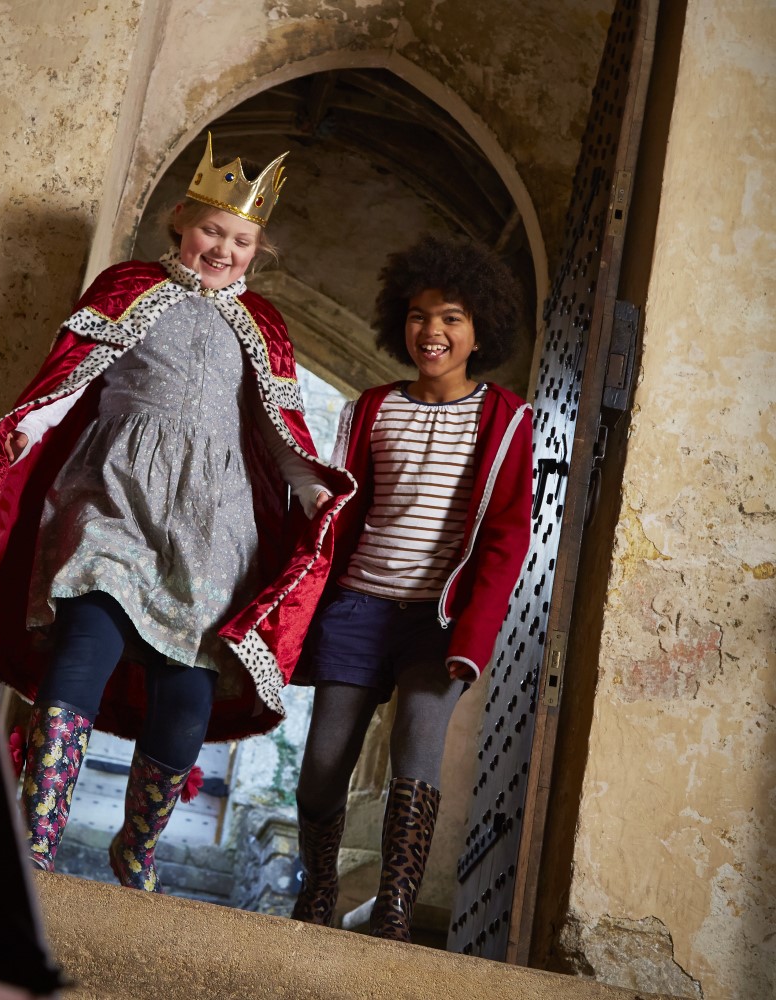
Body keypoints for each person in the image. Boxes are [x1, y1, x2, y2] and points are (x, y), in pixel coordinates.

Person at [0, 133, 354, 889]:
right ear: (180, 220)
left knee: (186, 693)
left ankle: (135, 850)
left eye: (241, 240)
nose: (222, 248)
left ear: (257, 249)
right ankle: (36, 838)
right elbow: (72, 378)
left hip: (215, 530)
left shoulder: (262, 327)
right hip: (113, 494)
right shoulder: (128, 288)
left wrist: (312, 496)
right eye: (211, 230)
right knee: (85, 644)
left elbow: (279, 435)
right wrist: (23, 432)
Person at [290, 233, 533, 940]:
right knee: (322, 768)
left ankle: (394, 909)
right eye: (420, 315)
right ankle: (318, 890)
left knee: (417, 752)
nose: (433, 331)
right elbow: (342, 513)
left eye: (451, 316)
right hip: (359, 606)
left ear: (479, 328)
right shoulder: (370, 407)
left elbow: (506, 538)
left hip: (439, 618)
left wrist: (472, 640)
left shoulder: (507, 418)